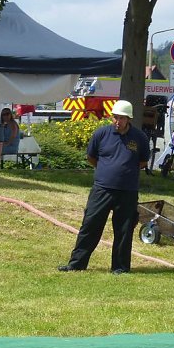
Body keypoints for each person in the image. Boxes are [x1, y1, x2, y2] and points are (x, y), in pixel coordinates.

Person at [58, 99, 150, 275]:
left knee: (124, 229)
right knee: (90, 225)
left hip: (127, 191)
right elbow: (91, 157)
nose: (117, 121)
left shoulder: (139, 138)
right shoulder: (101, 134)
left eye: (121, 118)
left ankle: (120, 267)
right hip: (102, 189)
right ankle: (76, 264)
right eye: (115, 117)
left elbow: (143, 161)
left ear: (128, 118)